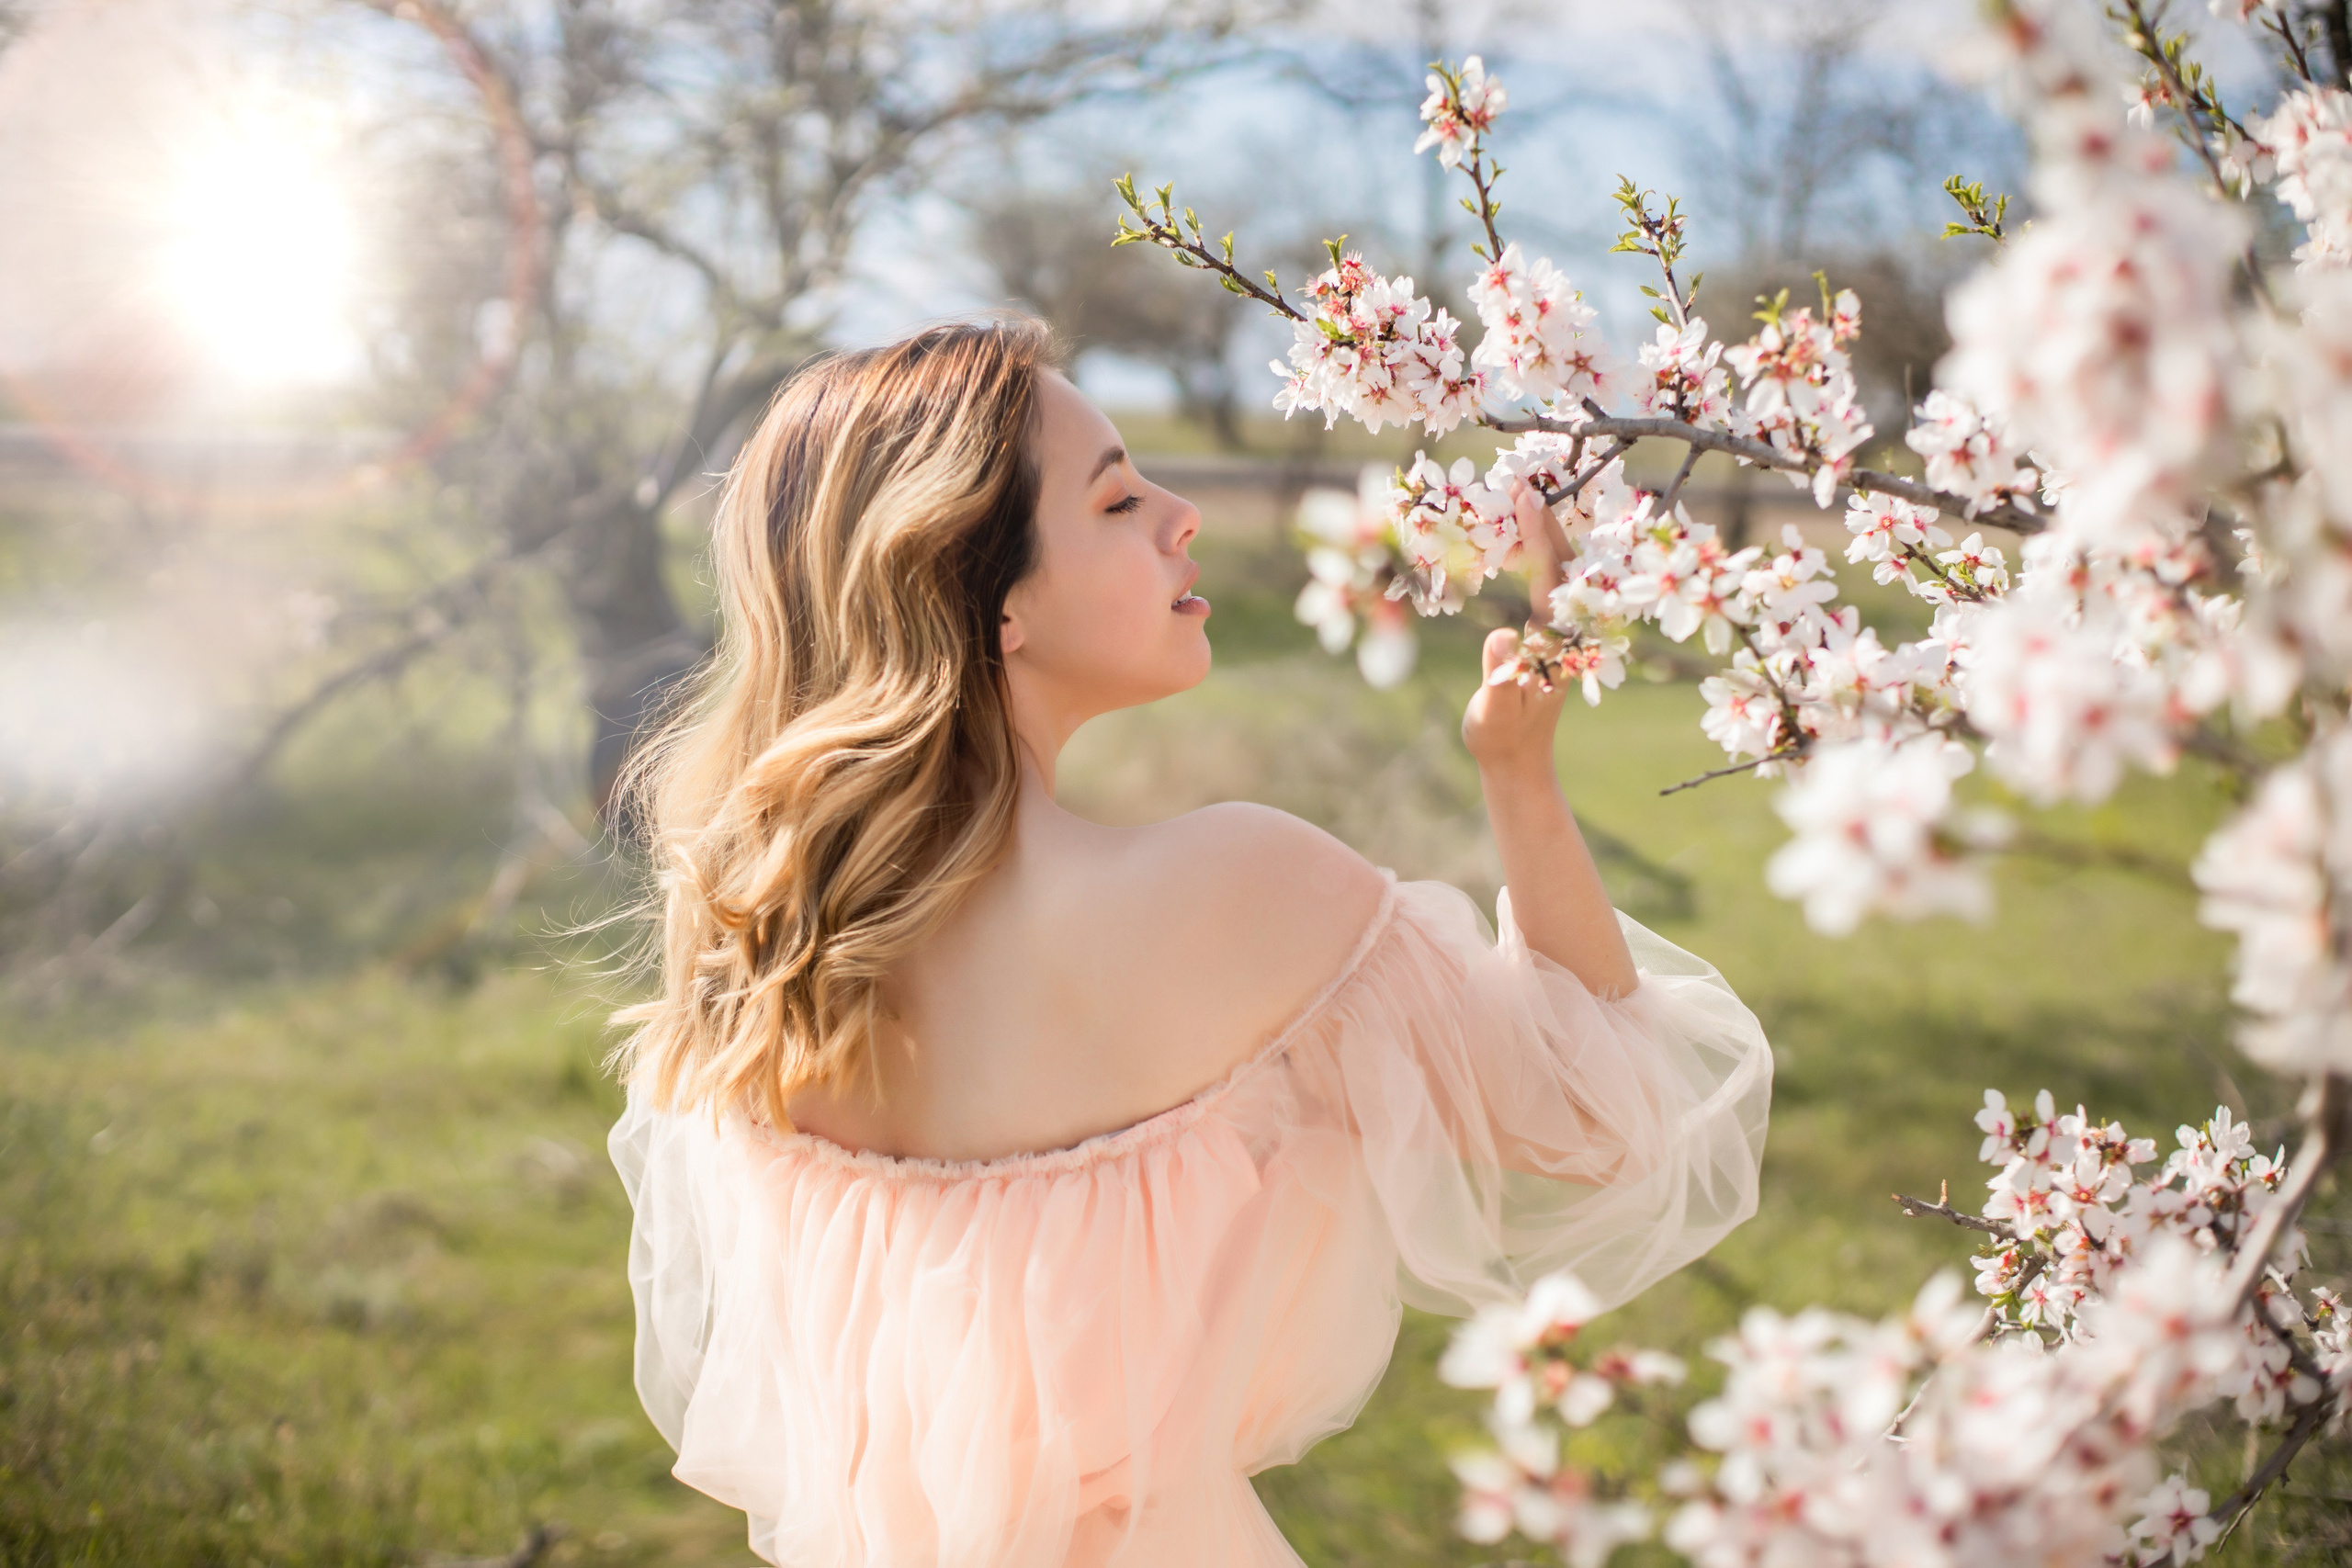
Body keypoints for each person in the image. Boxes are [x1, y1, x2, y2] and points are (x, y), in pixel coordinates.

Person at [603, 317, 1772, 1567]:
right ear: (986, 597)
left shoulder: (758, 948)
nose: (1180, 516)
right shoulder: (1239, 892)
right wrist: (1521, 778)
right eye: (1115, 501)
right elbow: (1601, 1118)